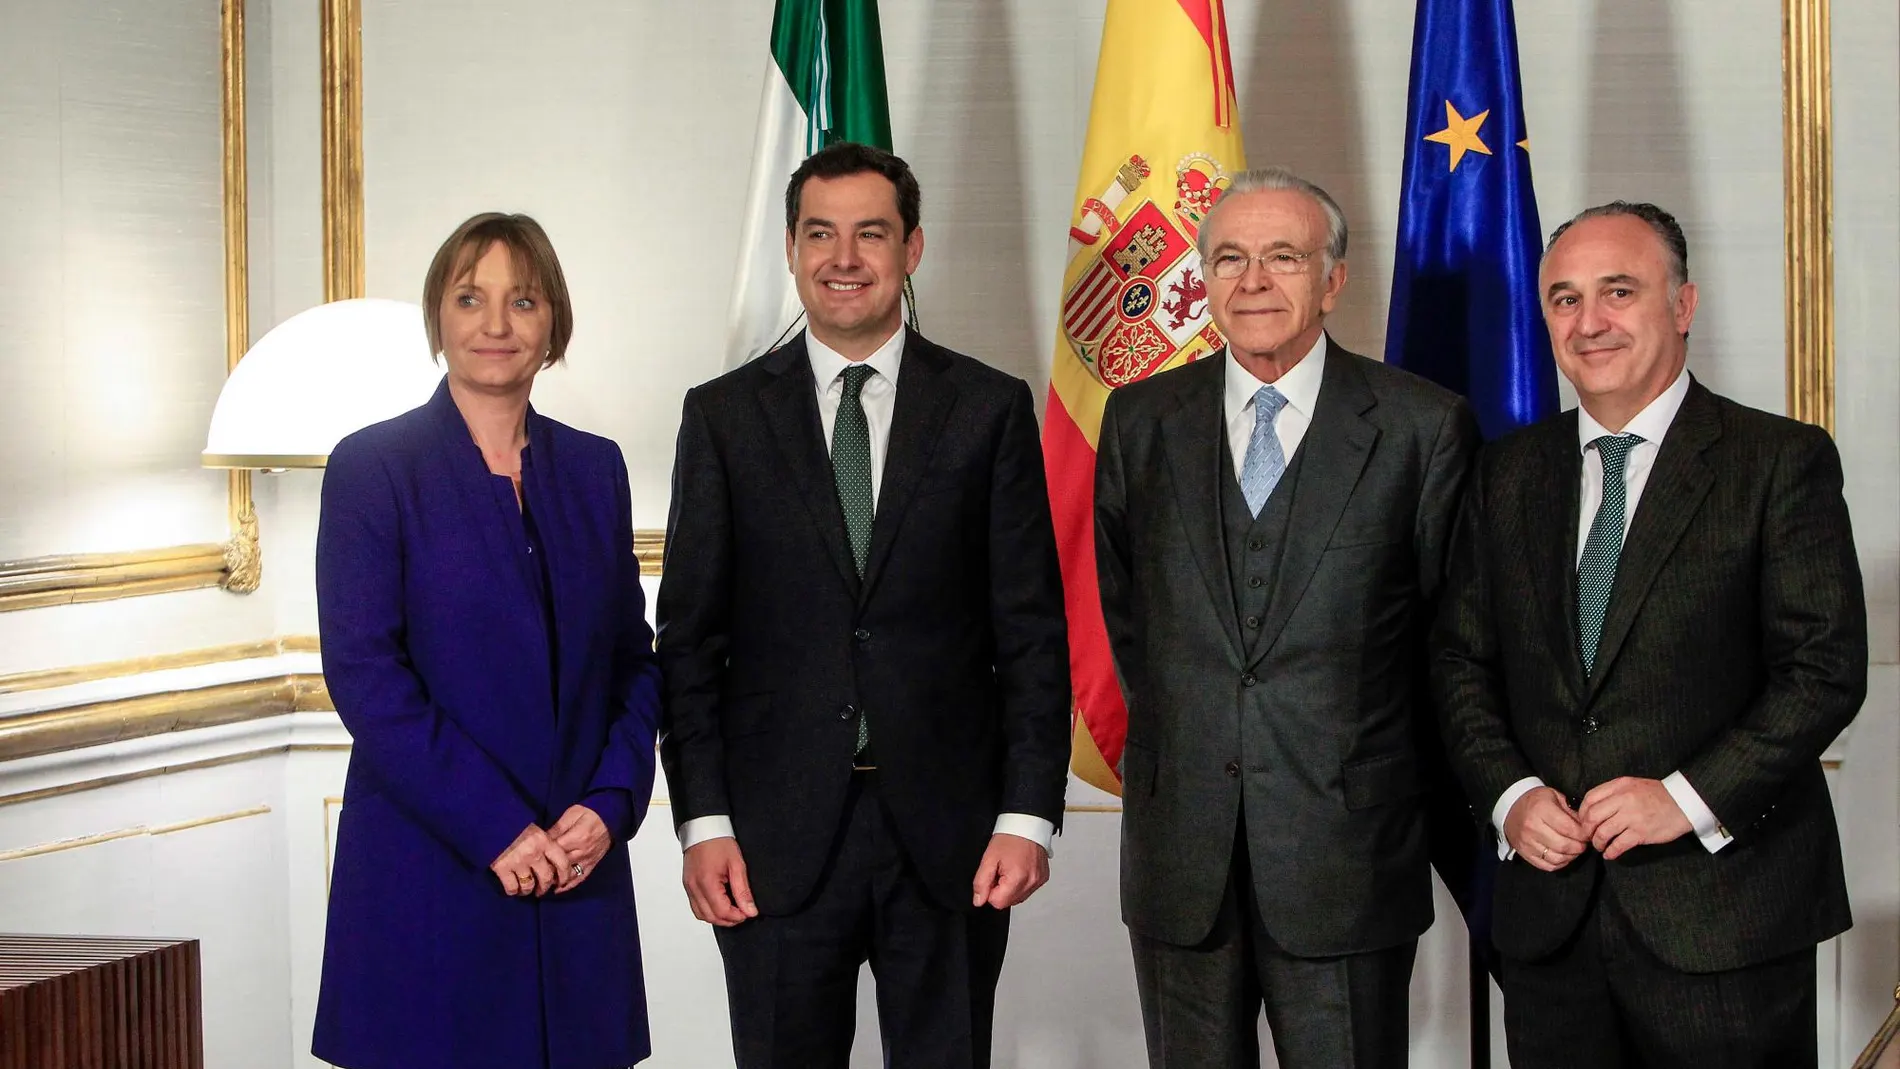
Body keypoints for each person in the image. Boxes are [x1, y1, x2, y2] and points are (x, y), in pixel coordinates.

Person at [656, 141, 1071, 1069]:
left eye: (870, 233)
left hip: (954, 834)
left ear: (911, 249)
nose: (844, 257)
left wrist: (1027, 814)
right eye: (820, 234)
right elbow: (686, 640)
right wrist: (705, 821)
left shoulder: (989, 408)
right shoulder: (722, 417)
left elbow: (1033, 632)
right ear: (793, 251)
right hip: (771, 839)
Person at [1431, 201, 1866, 1068]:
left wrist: (1687, 795)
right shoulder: (1506, 471)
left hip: (1727, 919)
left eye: (1618, 290)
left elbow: (1823, 669)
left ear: (1684, 303)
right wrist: (1511, 796)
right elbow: (1460, 660)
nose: (1588, 321)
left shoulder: (1777, 461)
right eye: (1563, 298)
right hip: (1551, 923)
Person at [1093, 167, 1478, 1068]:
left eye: (1283, 257)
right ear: (1204, 278)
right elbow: (1129, 617)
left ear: (1334, 280)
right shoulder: (1140, 419)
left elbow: (1450, 641)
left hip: (1348, 853)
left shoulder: (1424, 427)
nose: (1253, 280)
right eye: (1229, 257)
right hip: (1180, 857)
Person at [312, 212, 660, 1069]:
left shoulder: (595, 468)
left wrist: (610, 806)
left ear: (554, 323)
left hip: (578, 871)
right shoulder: (372, 467)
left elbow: (633, 661)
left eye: (523, 299)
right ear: (439, 316)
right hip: (433, 874)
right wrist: (500, 827)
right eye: (471, 298)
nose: (496, 324)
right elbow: (367, 677)